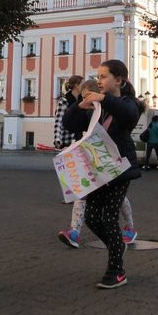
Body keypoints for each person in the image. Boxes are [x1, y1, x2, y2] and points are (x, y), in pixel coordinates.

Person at [62, 60, 143, 289]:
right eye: (97, 76)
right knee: (92, 218)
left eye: (104, 76)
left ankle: (116, 270)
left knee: (109, 217)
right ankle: (117, 246)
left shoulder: (127, 103)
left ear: (119, 80)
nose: (99, 80)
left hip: (119, 170)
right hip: (95, 169)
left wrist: (103, 98)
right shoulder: (97, 105)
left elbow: (128, 114)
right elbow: (69, 123)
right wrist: (80, 105)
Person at [57, 79, 137, 249]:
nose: (87, 101)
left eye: (89, 98)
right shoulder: (86, 112)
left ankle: (129, 227)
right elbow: (69, 124)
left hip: (108, 161)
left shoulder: (109, 111)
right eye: (83, 98)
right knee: (81, 192)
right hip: (87, 159)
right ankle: (74, 231)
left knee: (119, 199)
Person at [53, 75, 82, 150]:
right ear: (76, 85)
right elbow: (58, 121)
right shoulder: (64, 101)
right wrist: (57, 140)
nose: (84, 86)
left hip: (80, 140)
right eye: (82, 84)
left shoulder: (82, 101)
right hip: (67, 142)